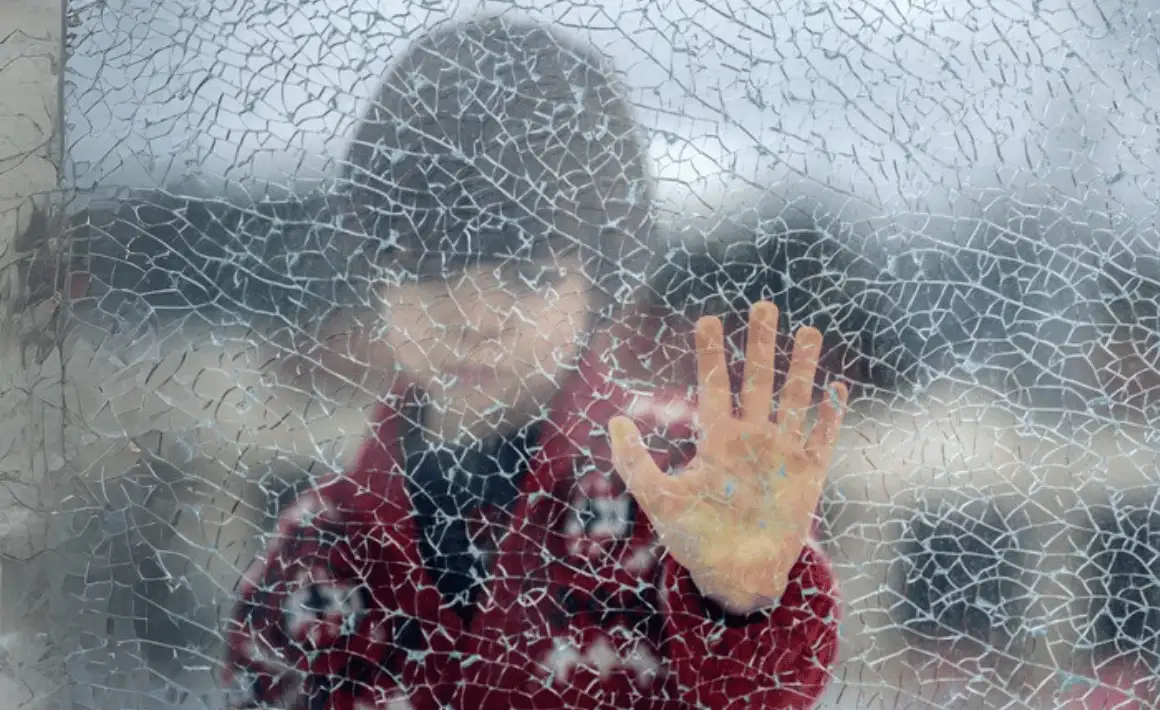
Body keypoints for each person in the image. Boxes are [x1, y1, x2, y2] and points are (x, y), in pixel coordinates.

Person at [222, 15, 849, 710]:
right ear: (375, 271)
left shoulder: (682, 483)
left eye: (528, 277)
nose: (475, 318)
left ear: (599, 282)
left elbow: (762, 695)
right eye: (430, 269)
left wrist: (743, 602)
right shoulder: (316, 547)